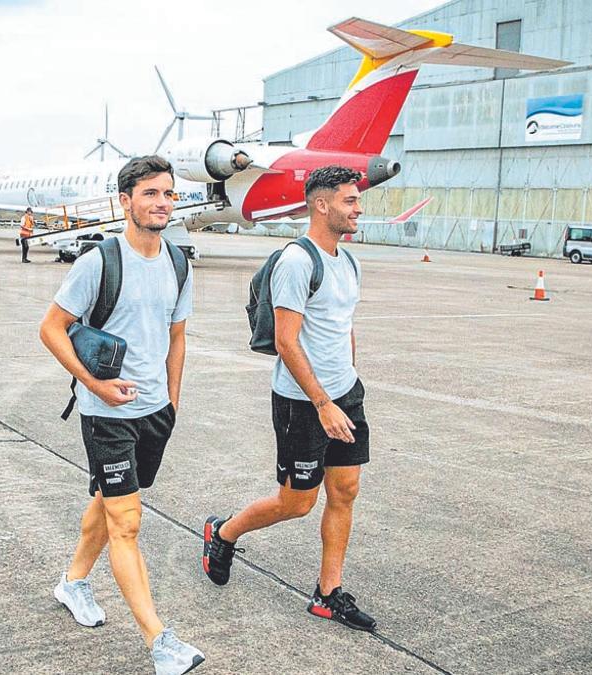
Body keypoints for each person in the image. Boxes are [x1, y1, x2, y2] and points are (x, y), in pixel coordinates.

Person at [38, 156, 203, 675]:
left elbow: (176, 336)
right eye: (150, 193)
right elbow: (51, 328)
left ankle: (73, 582)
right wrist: (94, 385)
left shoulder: (178, 262)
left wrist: (171, 399)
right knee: (127, 522)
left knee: (107, 505)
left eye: (169, 194)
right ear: (125, 200)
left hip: (155, 412)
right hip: (105, 413)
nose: (162, 203)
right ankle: (160, 642)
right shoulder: (99, 263)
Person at [201, 166, 376, 632]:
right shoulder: (297, 262)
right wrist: (322, 402)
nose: (358, 208)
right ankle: (223, 533)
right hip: (304, 403)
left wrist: (347, 385)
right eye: (349, 201)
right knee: (297, 502)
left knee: (345, 491)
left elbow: (343, 326)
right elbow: (286, 341)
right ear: (322, 205)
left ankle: (328, 594)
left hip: (345, 395)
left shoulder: (347, 260)